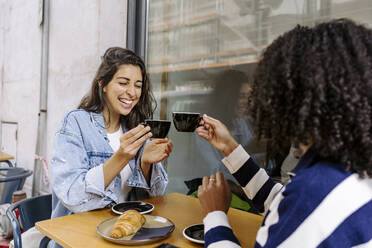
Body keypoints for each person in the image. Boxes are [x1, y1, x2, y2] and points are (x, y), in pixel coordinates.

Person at [196, 19, 372, 247]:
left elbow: (297, 205)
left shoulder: (311, 196)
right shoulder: (348, 170)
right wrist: (230, 148)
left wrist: (215, 216)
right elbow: (281, 199)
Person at [49, 47, 173, 248]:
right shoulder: (76, 123)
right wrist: (121, 156)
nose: (132, 92)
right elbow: (72, 195)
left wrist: (146, 164)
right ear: (103, 84)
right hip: (78, 238)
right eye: (123, 83)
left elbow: (155, 199)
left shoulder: (136, 128)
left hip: (126, 237)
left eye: (138, 85)